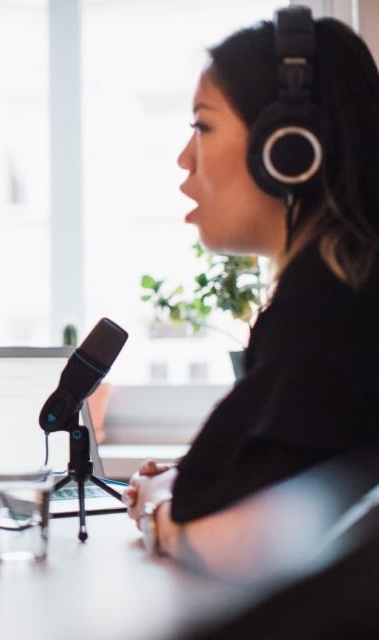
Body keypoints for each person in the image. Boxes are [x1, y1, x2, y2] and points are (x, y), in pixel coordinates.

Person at [123, 8, 379, 566]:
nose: (184, 158)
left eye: (203, 126)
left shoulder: (328, 307)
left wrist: (159, 511)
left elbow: (242, 544)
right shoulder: (349, 283)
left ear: (288, 148)